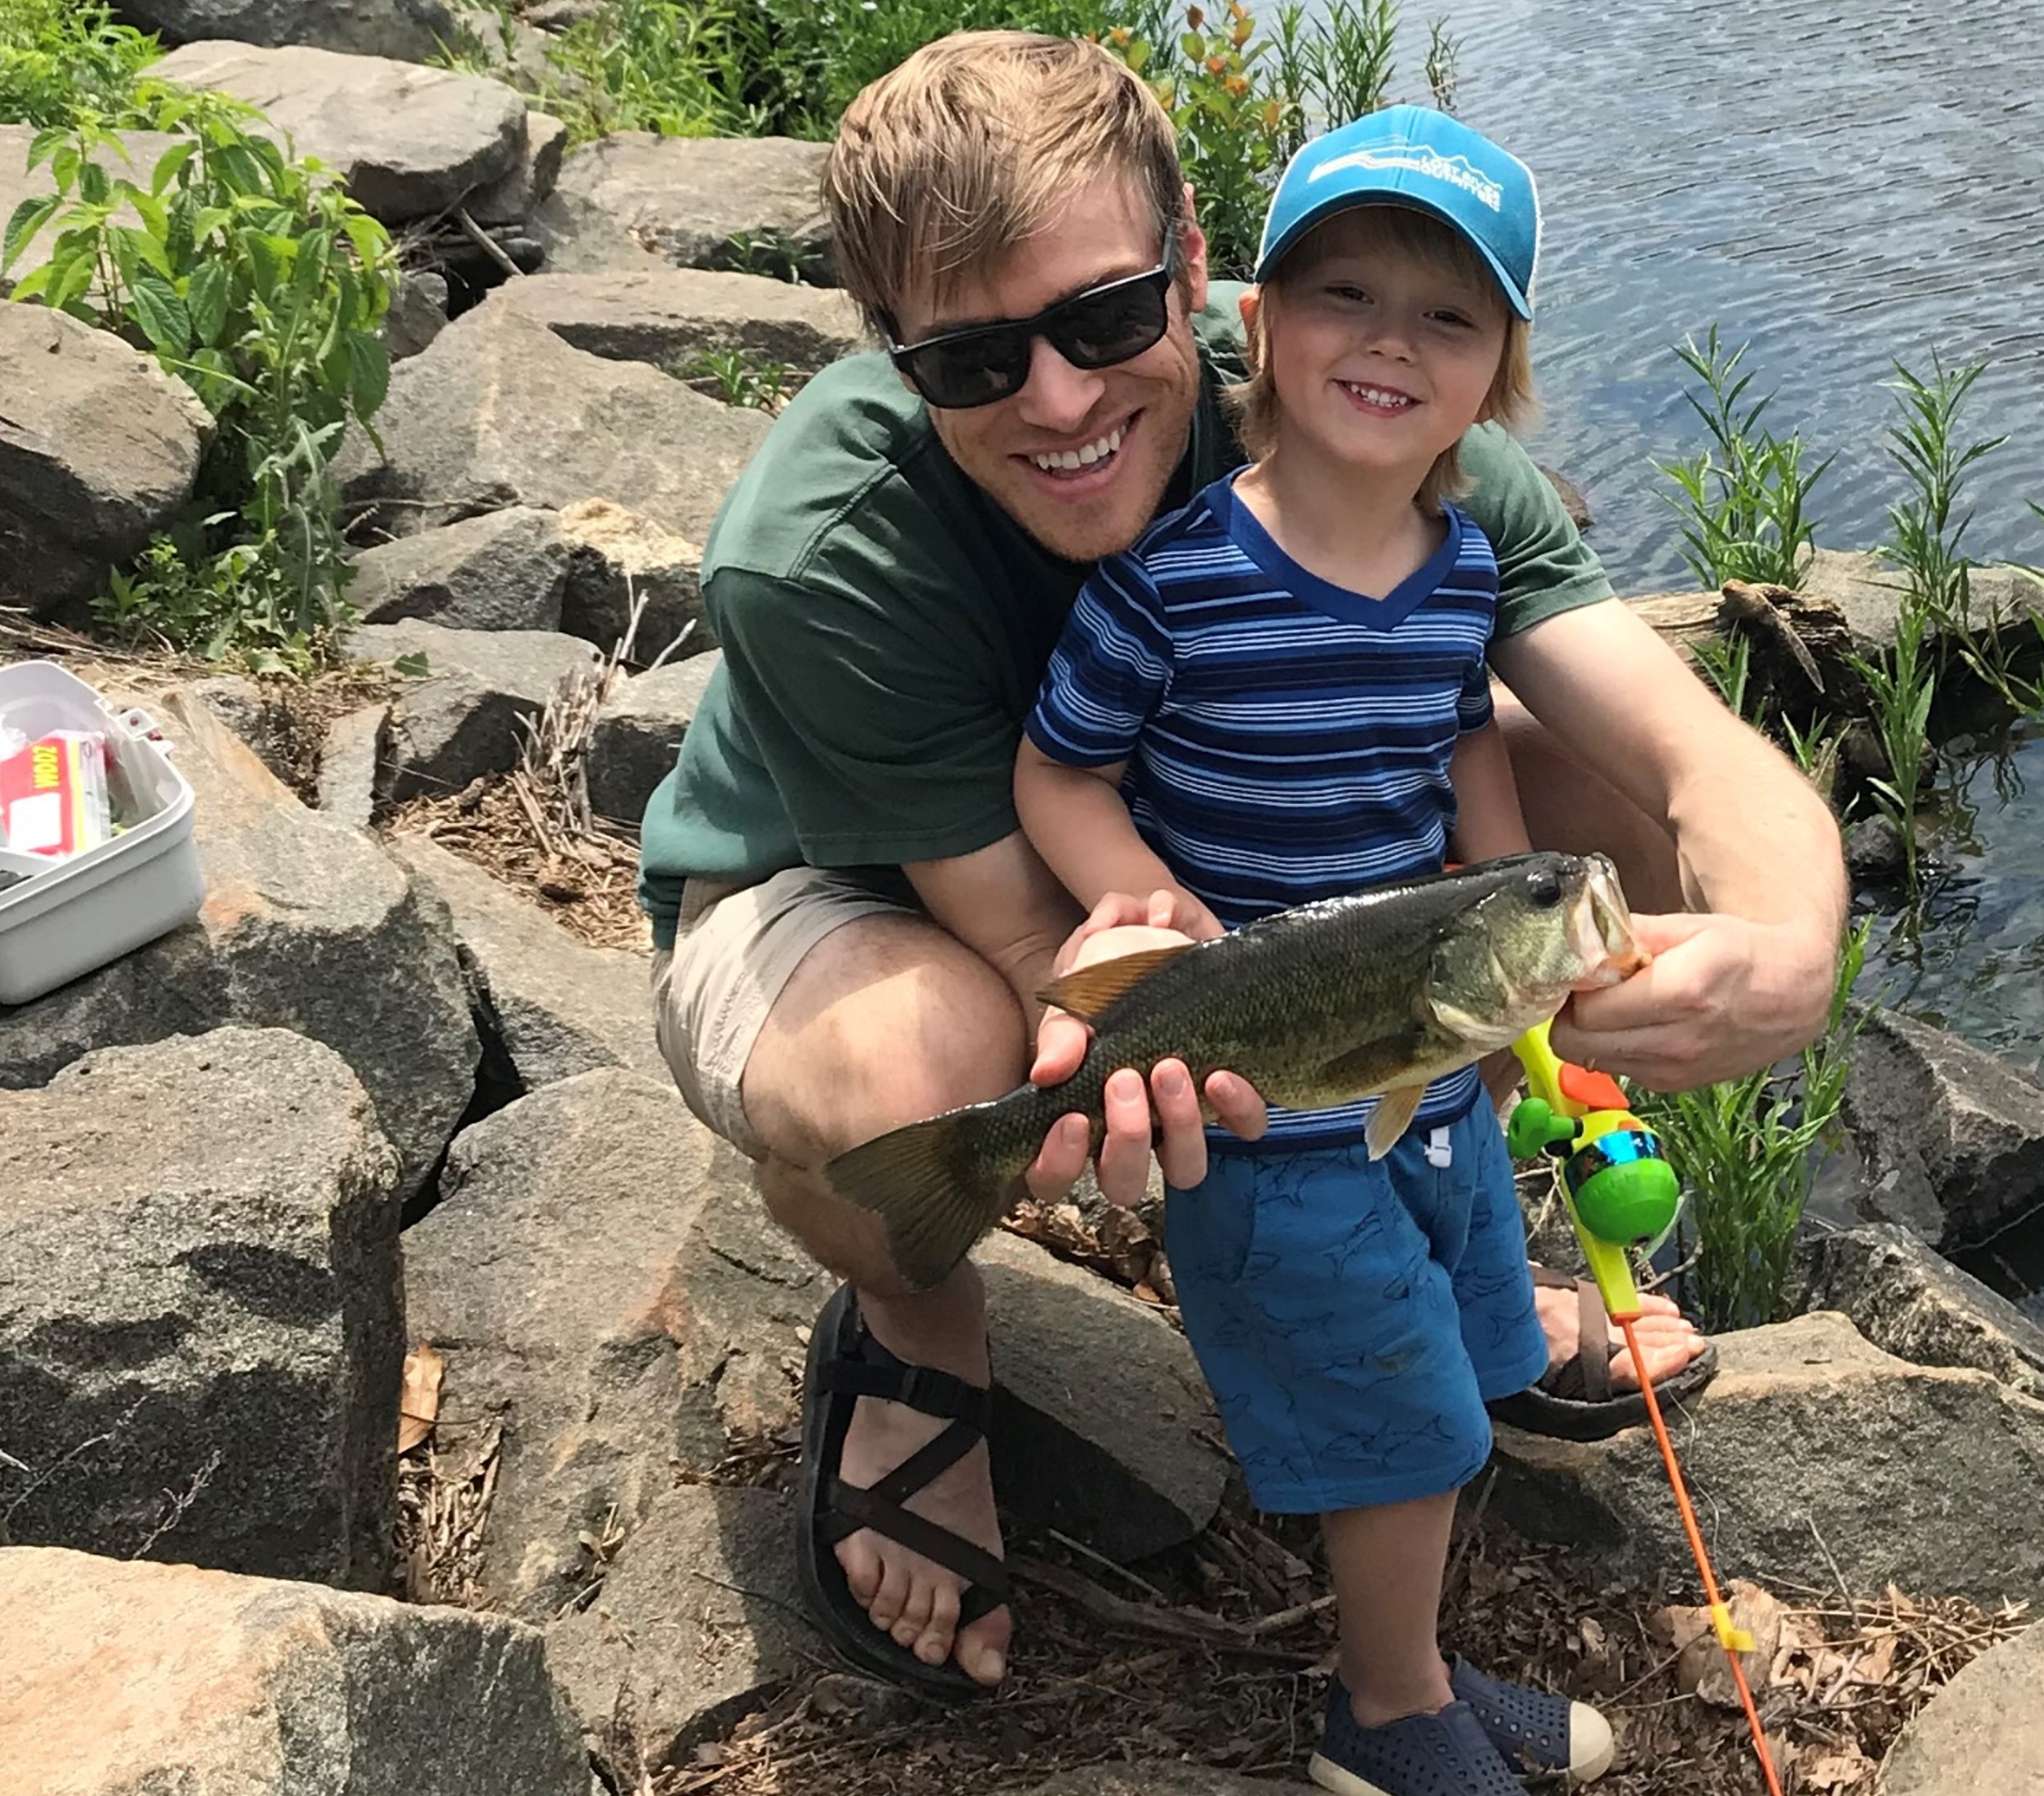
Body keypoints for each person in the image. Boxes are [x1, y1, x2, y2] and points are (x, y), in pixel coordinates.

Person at [639, 26, 1844, 1726]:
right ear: (891, 350)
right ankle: (917, 1332)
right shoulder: (819, 544)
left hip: (1207, 889)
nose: (1056, 399)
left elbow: (1687, 752)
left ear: (1196, 274)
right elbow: (1018, 925)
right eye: (971, 359)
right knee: (924, 1080)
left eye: (1107, 319)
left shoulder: (1377, 415)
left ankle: (1448, 1240)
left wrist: (1794, 947)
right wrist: (1153, 1062)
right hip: (855, 880)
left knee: (1566, 796)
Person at [1014, 105, 1623, 1794]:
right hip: (1257, 1088)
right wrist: (1140, 902)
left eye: (1448, 317)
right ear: (1256, 328)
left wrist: (1525, 979)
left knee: (1471, 1340)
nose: (1389, 342)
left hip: (1423, 1056)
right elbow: (1057, 766)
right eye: (1345, 292)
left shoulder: (1462, 570)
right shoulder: (1174, 582)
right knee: (1392, 1410)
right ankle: (1384, 1711)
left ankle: (1416, 1654)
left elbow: (1463, 757)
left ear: (1498, 370)